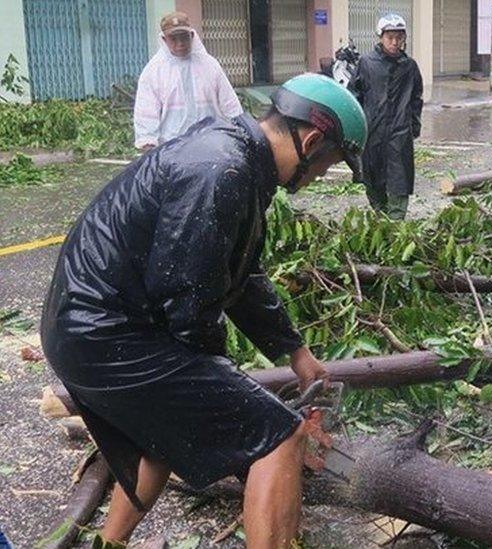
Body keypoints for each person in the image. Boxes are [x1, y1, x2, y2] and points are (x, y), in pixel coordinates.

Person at [41, 73, 368, 548]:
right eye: (327, 164)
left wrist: (297, 354)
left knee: (163, 439)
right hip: (105, 335)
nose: (320, 175)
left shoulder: (237, 158)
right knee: (279, 437)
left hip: (83, 329)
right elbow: (189, 302)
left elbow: (241, 275)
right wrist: (234, 399)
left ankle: (108, 544)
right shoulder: (222, 171)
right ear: (311, 140)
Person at [133, 11, 243, 151]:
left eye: (184, 37)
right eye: (174, 38)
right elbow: (145, 113)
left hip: (212, 146)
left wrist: (240, 130)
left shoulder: (209, 65)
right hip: (172, 150)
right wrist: (149, 148)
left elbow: (230, 104)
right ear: (164, 39)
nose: (180, 44)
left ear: (192, 36)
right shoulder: (154, 71)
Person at [353, 13, 424, 220]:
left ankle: (396, 223)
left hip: (399, 133)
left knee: (399, 179)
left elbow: (416, 99)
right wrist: (356, 127)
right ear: (380, 37)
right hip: (372, 131)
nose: (394, 42)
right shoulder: (366, 64)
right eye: (390, 37)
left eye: (399, 38)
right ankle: (380, 215)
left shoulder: (409, 67)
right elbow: (354, 96)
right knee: (372, 178)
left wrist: (414, 126)